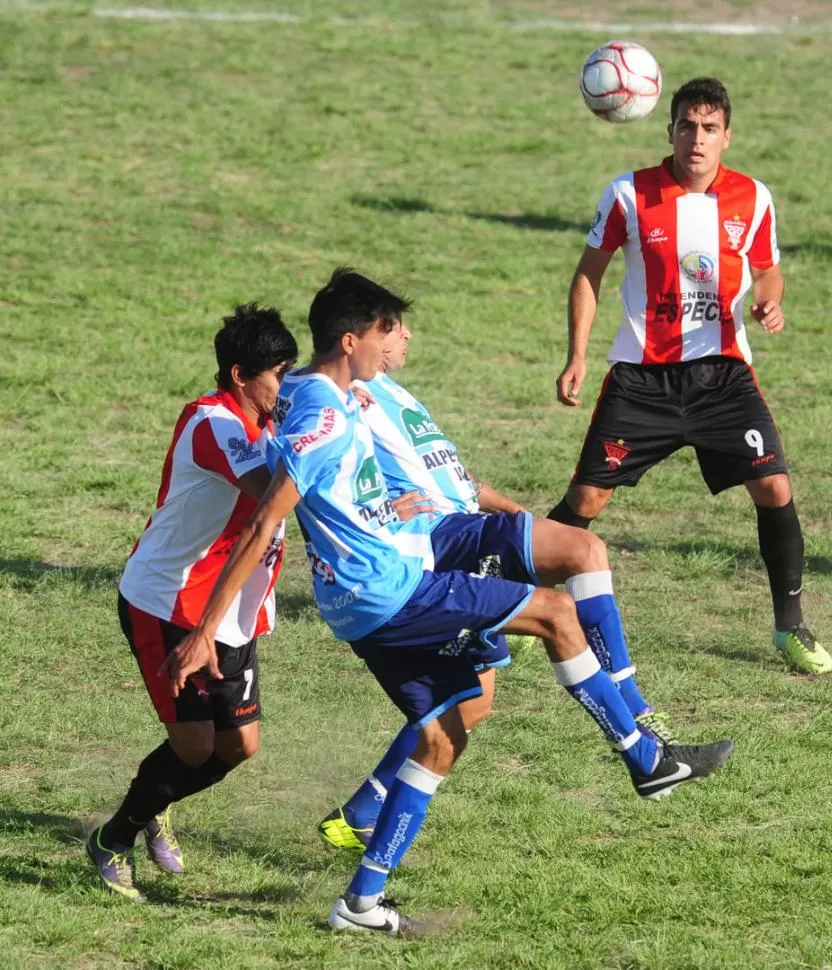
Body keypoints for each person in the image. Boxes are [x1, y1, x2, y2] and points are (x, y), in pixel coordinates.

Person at [161, 267, 734, 935]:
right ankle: (643, 756)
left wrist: (398, 506)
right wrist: (205, 631)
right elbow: (268, 518)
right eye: (386, 331)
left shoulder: (342, 398)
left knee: (443, 736)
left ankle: (360, 904)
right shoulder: (319, 408)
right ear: (350, 341)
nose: (395, 341)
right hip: (388, 590)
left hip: (369, 596)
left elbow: (337, 491)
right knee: (554, 613)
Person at [318, 312, 678, 853]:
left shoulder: (398, 397)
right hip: (442, 541)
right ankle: (640, 724)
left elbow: (458, 479)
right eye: (393, 328)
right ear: (357, 338)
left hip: (467, 525)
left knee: (473, 700)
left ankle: (357, 815)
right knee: (582, 556)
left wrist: (518, 513)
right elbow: (317, 469)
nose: (406, 336)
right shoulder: (344, 401)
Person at [548, 77, 832, 676]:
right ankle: (519, 606)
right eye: (686, 126)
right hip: (642, 379)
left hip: (723, 377)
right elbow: (588, 275)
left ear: (726, 135)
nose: (696, 139)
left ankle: (790, 626)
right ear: (669, 129)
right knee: (586, 498)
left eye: (709, 129)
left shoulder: (753, 197)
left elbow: (768, 268)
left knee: (775, 488)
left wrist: (769, 299)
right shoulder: (628, 193)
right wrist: (577, 355)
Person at [86, 305, 298, 901]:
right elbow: (274, 494)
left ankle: (159, 797)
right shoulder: (216, 425)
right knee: (196, 746)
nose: (284, 386)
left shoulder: (269, 424)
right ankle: (113, 838)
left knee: (239, 747)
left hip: (232, 611)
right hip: (169, 604)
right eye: (277, 374)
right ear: (239, 375)